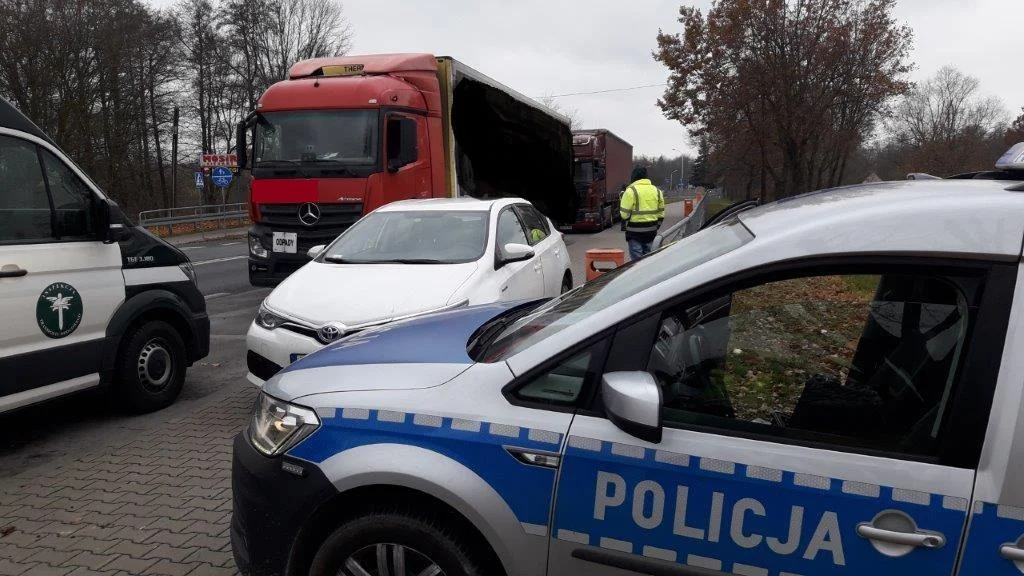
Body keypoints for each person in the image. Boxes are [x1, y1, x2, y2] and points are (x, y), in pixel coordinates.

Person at [620, 165, 665, 260]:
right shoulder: (657, 191)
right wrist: (655, 227)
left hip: (634, 234)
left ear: (633, 177)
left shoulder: (630, 191)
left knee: (636, 263)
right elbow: (661, 214)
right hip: (651, 232)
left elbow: (624, 215)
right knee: (649, 261)